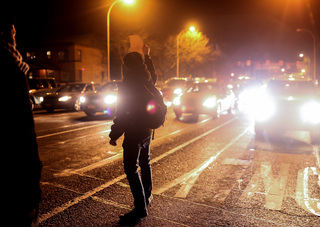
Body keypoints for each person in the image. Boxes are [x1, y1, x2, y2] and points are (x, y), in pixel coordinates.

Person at [0, 16, 42, 226]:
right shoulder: (11, 67)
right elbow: (24, 134)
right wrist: (33, 182)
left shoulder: (15, 65)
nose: (15, 38)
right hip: (14, 178)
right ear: (4, 34)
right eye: (13, 33)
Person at [109, 44, 156, 224]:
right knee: (145, 162)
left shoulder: (128, 83)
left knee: (130, 168)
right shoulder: (147, 77)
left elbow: (123, 112)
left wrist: (114, 134)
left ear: (128, 66)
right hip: (148, 128)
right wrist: (148, 57)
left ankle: (140, 207)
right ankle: (148, 195)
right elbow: (155, 74)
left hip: (134, 129)